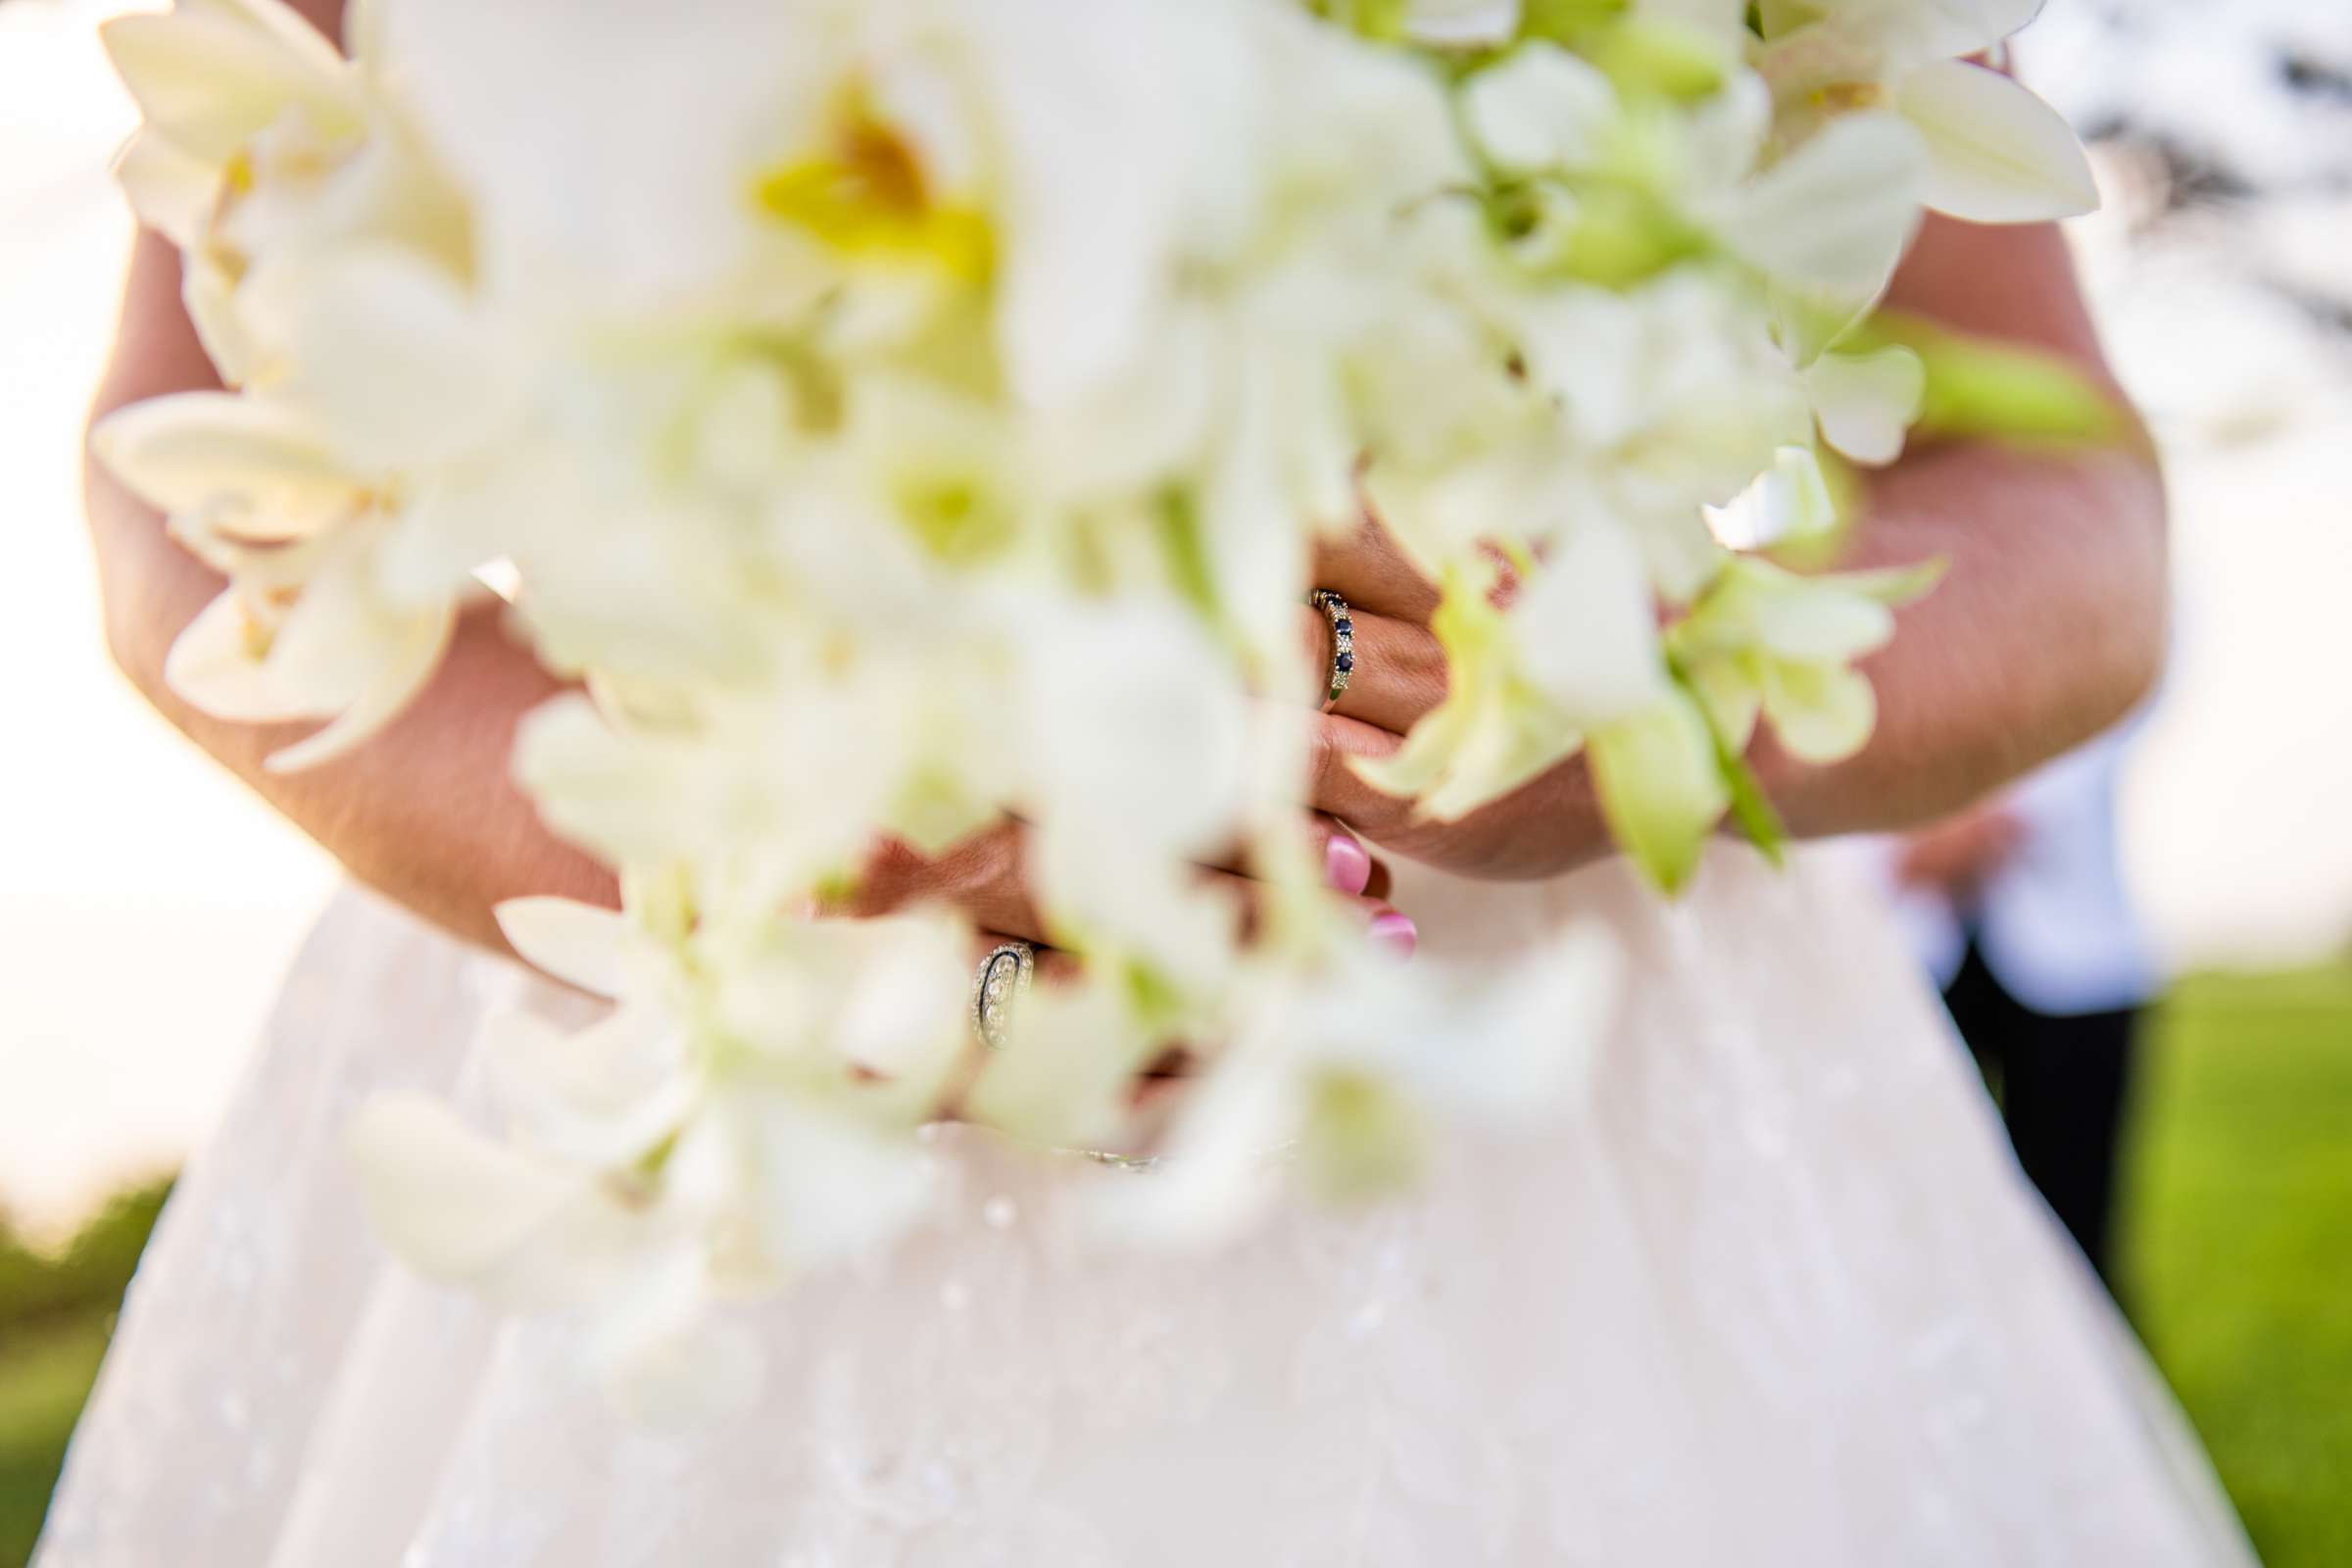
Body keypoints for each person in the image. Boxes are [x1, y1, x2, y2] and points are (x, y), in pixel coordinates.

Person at [38, 5, 2254, 1562]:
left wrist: (1652, 702)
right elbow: (188, 493)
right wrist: (720, 905)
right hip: (667, 1029)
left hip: (1536, 1090)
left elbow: (2068, 520)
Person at [1883, 718, 2161, 1287]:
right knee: (1912, 1220)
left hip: (2073, 951)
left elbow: (2131, 675)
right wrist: (1893, 844)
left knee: (2075, 1223)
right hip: (1907, 940)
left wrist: (1994, 820)